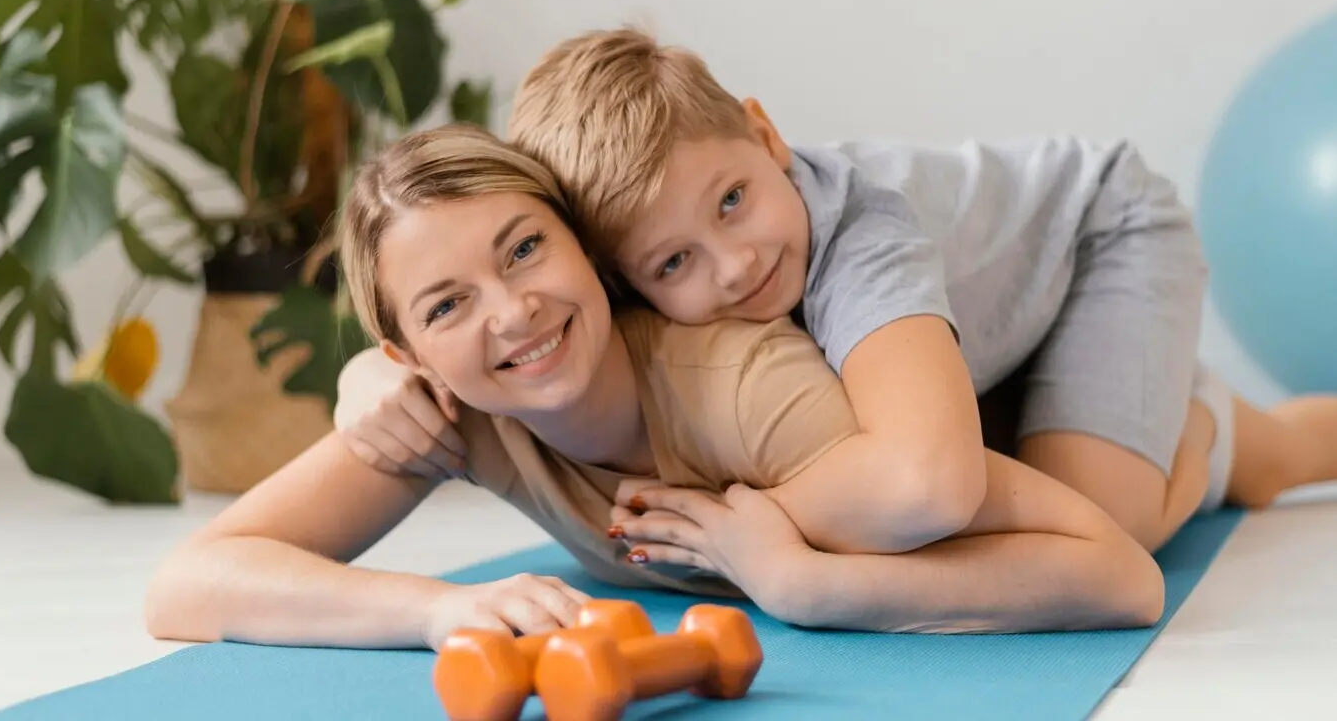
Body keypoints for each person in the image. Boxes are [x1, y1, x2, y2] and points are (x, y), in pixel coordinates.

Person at [144, 125, 1165, 653]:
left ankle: (1207, 426)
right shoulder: (459, 409)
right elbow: (187, 584)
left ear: (588, 248)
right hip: (942, 393)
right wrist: (436, 610)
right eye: (446, 307)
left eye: (525, 250)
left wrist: (810, 585)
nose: (512, 315)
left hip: (1061, 257)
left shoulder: (744, 383)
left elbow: (1117, 572)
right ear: (405, 352)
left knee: (1137, 505)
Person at [345, 27, 1337, 556]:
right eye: (673, 264)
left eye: (733, 198)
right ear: (620, 278)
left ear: (767, 134)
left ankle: (1209, 430)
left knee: (1093, 515)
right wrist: (366, 371)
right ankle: (1213, 431)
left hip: (1099, 241)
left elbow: (926, 479)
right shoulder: (625, 286)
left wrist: (752, 518)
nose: (732, 264)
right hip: (987, 328)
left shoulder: (865, 235)